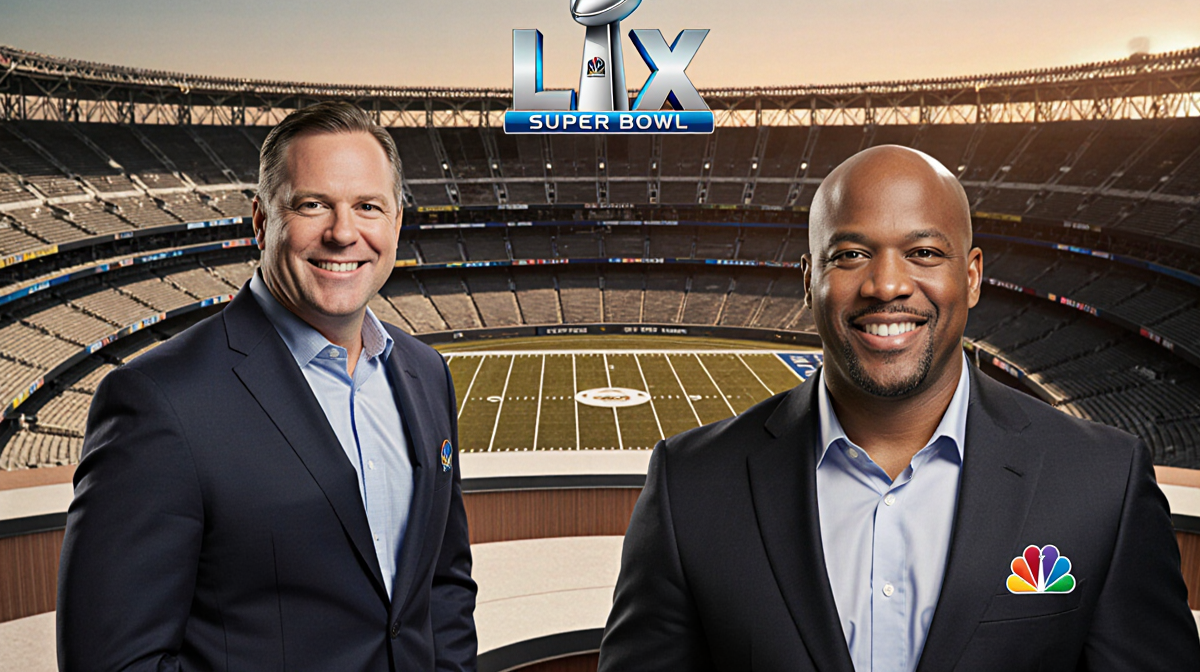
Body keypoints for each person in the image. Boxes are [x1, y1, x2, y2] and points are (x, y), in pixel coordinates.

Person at [598, 145, 1199, 671]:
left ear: (972, 275)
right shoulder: (691, 485)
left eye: (924, 253)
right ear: (808, 279)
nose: (887, 285)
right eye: (851, 254)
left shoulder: (1101, 483)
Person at [57, 102, 477, 671]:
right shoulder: (160, 400)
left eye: (368, 207)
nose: (343, 233)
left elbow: (443, 586)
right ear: (261, 220)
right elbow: (114, 663)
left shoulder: (426, 374)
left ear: (396, 223)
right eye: (313, 205)